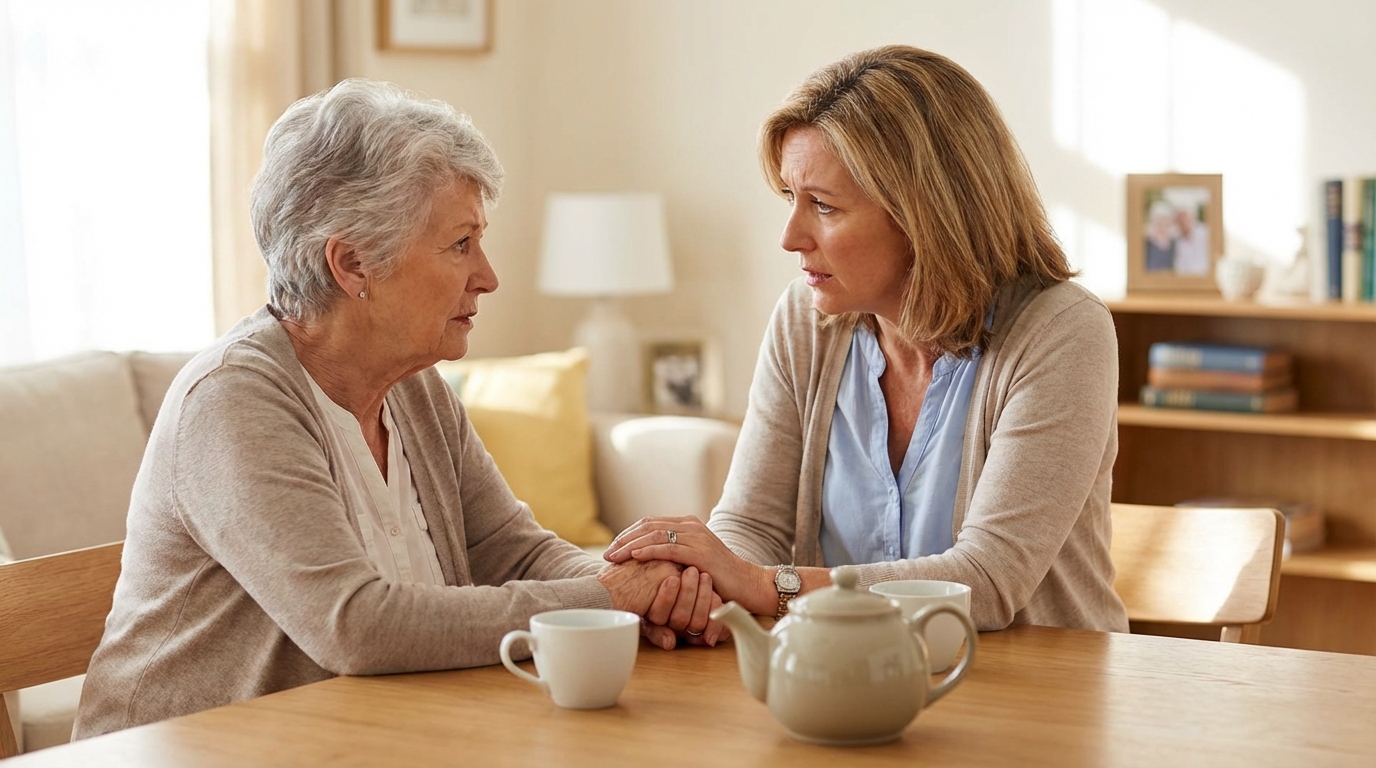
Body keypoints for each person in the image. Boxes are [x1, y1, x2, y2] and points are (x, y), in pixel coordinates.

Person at [74, 79, 722, 739]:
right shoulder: (234, 400)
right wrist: (604, 600)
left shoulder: (413, 389)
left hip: (361, 738)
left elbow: (510, 550)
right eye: (460, 244)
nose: (488, 276)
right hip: (184, 752)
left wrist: (650, 585)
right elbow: (357, 625)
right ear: (353, 264)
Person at [606, 46, 1129, 634]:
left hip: (1041, 701)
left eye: (823, 206)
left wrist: (759, 586)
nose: (790, 237)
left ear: (924, 215)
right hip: (853, 689)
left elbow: (985, 580)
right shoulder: (805, 322)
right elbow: (751, 526)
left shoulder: (1062, 331)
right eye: (790, 200)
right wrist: (700, 586)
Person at [1172, 204, 1211, 276]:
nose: (1183, 222)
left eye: (1185, 218)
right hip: (1186, 281)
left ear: (1192, 217)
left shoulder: (1205, 233)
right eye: (1179, 220)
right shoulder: (1176, 239)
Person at [1144, 200, 1177, 272]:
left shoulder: (1174, 241)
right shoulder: (1148, 240)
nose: (1163, 222)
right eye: (1160, 218)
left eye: (1166, 218)